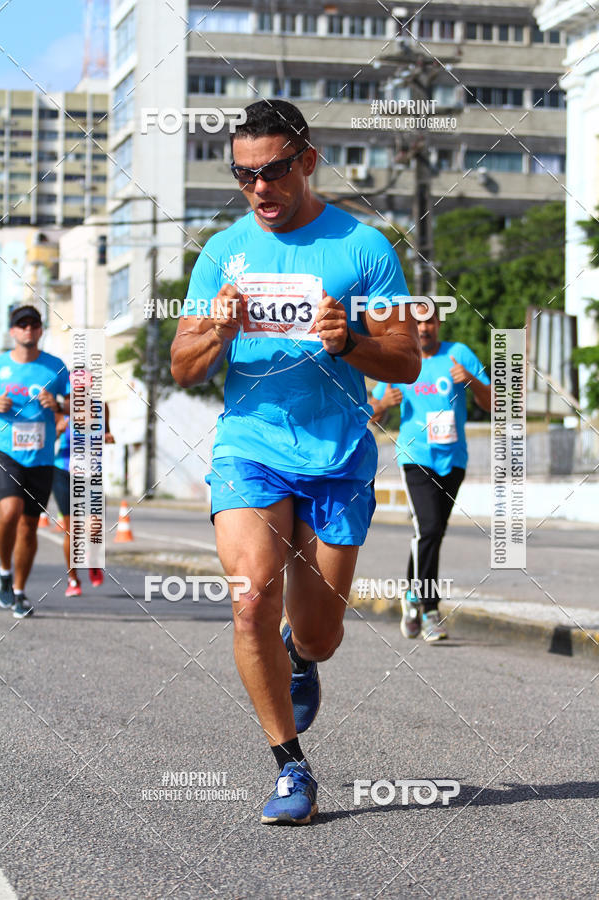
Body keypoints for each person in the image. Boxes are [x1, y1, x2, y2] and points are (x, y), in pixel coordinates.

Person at [171, 99, 420, 825]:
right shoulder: (223, 252)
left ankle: (300, 654)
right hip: (249, 448)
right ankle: (291, 769)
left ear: (307, 161)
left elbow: (405, 359)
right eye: (245, 176)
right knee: (251, 599)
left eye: (274, 171)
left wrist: (351, 343)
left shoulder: (363, 247)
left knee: (320, 635)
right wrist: (214, 332)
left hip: (338, 456)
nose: (260, 189)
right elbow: (184, 366)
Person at [370, 300, 491, 643]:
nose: (423, 329)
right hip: (415, 455)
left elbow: (493, 401)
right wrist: (383, 404)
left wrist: (470, 381)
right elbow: (372, 413)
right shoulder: (400, 359)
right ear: (410, 327)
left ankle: (411, 596)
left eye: (430, 322)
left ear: (438, 323)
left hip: (453, 458)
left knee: (431, 534)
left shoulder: (460, 354)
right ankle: (430, 610)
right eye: (418, 324)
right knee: (430, 527)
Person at [0, 305, 70, 618]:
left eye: (33, 324)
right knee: (9, 511)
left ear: (41, 330)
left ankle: (18, 592)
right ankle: (3, 569)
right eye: (21, 325)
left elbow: (79, 404)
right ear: (12, 331)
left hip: (41, 457)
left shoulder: (55, 367)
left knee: (28, 528)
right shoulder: (0, 364)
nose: (28, 329)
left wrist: (57, 403)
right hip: (6, 452)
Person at [53, 403, 114, 597]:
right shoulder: (61, 410)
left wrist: (107, 437)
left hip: (92, 475)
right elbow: (46, 439)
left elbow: (107, 433)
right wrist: (57, 431)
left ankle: (93, 559)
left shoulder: (101, 408)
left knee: (94, 526)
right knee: (73, 531)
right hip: (65, 473)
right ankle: (73, 579)